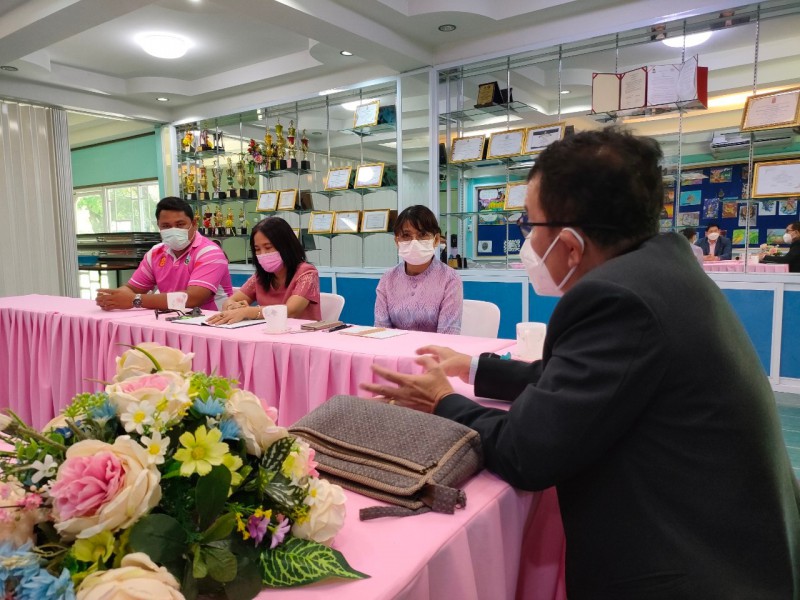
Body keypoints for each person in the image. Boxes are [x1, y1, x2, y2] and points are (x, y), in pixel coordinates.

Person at [362, 128, 800, 599]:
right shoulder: (660, 270)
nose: (528, 242)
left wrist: (442, 400)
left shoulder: (617, 299)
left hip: (694, 574)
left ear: (570, 246)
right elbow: (574, 380)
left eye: (531, 225)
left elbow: (525, 452)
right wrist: (473, 368)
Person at [95, 197, 232, 311]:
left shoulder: (210, 253)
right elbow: (133, 289)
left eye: (180, 224)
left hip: (212, 323)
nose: (173, 230)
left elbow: (193, 299)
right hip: (172, 321)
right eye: (166, 226)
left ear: (194, 224)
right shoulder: (156, 253)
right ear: (159, 226)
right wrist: (112, 298)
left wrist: (135, 300)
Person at [207, 216, 320, 324]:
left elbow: (290, 311)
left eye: (268, 247)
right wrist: (232, 306)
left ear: (286, 246)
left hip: (301, 334)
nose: (263, 254)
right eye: (257, 249)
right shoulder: (260, 277)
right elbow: (230, 301)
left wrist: (246, 312)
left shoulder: (307, 274)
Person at [374, 205, 462, 334]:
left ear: (436, 239)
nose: (414, 242)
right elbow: (381, 331)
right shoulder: (388, 279)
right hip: (394, 346)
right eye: (406, 235)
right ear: (397, 241)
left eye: (422, 234)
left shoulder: (449, 278)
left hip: (434, 347)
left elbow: (448, 336)